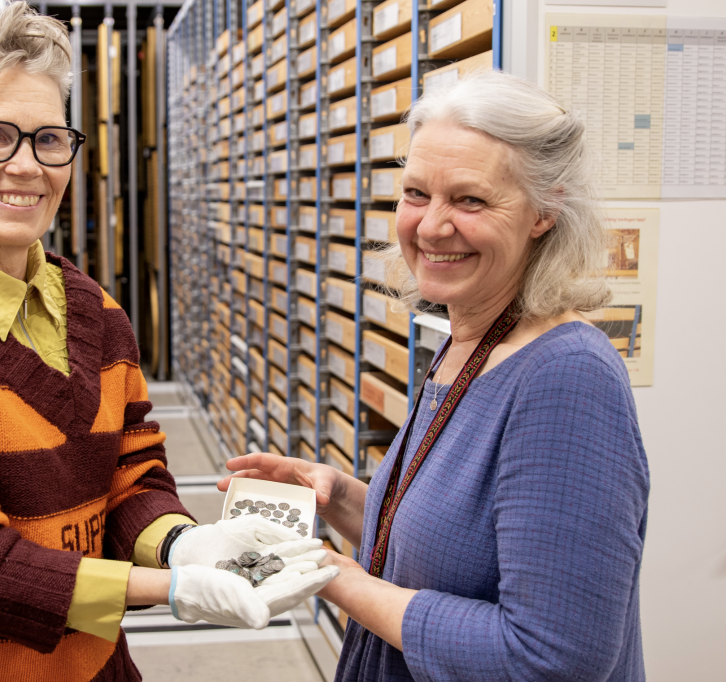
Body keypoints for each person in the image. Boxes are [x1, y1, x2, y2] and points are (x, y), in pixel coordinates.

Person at [0, 4, 336, 681]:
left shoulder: (94, 312)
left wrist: (182, 544)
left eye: (49, 140)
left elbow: (130, 477)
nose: (26, 167)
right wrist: (164, 588)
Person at [221, 70, 649, 681]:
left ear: (544, 211)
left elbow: (553, 660)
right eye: (417, 194)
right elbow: (461, 551)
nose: (430, 226)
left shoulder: (566, 380)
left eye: (470, 199)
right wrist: (344, 498)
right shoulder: (470, 341)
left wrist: (331, 575)